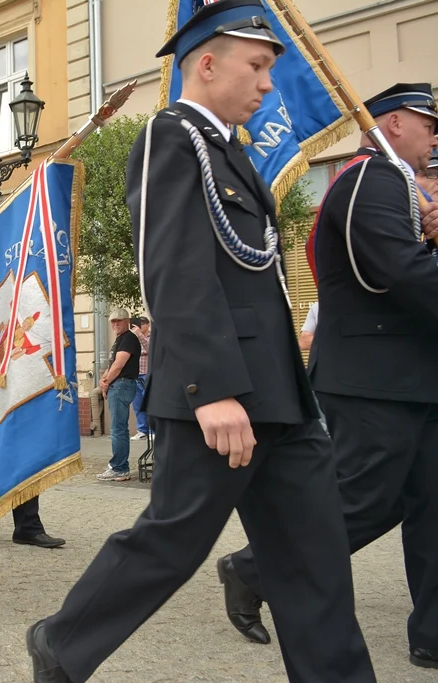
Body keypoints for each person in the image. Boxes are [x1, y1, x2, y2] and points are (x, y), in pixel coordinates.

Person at [25, 3, 376, 681]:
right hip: (222, 391)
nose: (269, 83)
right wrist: (213, 387)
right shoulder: (171, 135)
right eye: (258, 66)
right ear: (207, 64)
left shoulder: (230, 153)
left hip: (279, 391)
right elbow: (175, 265)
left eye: (271, 68)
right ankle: (62, 644)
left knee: (316, 557)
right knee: (171, 542)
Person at [216, 83, 438, 668]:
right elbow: (398, 273)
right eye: (428, 124)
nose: (435, 136)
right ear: (392, 124)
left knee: (429, 505)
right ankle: (251, 568)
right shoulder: (375, 179)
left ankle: (433, 633)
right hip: (375, 376)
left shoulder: (393, 184)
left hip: (407, 375)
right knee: (362, 500)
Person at [98, 309, 140, 481]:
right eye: (113, 321)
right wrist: (103, 380)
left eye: (119, 321)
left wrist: (106, 382)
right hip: (119, 384)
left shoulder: (128, 338)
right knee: (118, 428)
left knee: (118, 429)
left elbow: (119, 365)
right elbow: (112, 364)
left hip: (122, 384)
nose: (115, 324)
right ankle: (119, 466)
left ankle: (120, 468)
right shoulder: (120, 339)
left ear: (127, 321)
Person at [130, 316, 152, 439]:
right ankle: (142, 430)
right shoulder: (133, 337)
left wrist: (139, 334)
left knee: (148, 403)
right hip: (135, 374)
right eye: (139, 323)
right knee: (137, 404)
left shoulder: (152, 337)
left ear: (148, 325)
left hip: (147, 374)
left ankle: (153, 431)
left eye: (142, 323)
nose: (139, 326)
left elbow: (149, 348)